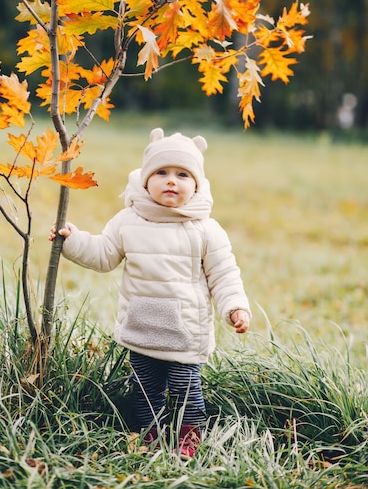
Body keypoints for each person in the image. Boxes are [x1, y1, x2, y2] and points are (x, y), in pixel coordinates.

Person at [49, 128, 251, 458]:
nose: (171, 180)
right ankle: (149, 435)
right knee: (145, 389)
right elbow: (103, 254)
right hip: (141, 328)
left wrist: (235, 308)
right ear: (145, 180)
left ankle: (188, 436)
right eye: (161, 172)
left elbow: (225, 274)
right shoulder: (129, 220)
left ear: (197, 184)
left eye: (182, 174)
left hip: (185, 331)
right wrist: (72, 240)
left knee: (186, 389)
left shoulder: (205, 228)